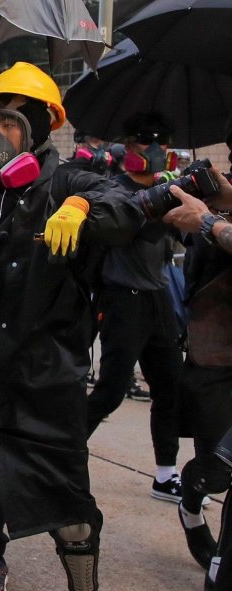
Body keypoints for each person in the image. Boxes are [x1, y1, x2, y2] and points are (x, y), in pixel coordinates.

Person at [0, 62, 145, 591]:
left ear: (43, 128)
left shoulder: (71, 180)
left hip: (44, 379)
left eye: (9, 124)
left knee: (70, 512)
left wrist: (82, 205)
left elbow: (127, 205)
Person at [84, 112, 187, 507]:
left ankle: (166, 474)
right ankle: (63, 457)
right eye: (147, 140)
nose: (157, 148)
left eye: (163, 139)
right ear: (128, 147)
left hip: (158, 295)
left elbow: (185, 236)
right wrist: (167, 198)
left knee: (170, 389)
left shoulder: (172, 189)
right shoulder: (114, 191)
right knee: (110, 390)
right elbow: (140, 227)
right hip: (121, 297)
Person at [159, 139, 232, 585]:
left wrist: (207, 221)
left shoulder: (212, 218)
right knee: (215, 472)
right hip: (215, 357)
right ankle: (191, 502)